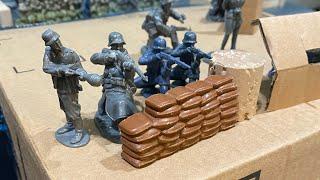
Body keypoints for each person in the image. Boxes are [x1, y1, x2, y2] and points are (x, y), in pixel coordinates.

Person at [42, 29, 89, 147]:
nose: (56, 44)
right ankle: (70, 124)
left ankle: (78, 130)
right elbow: (46, 67)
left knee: (73, 109)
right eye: (53, 43)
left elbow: (80, 68)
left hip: (70, 86)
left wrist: (81, 74)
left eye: (57, 41)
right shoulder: (49, 53)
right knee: (64, 106)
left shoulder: (70, 54)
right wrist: (61, 70)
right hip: (60, 85)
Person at [90, 32, 139, 143]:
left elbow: (130, 77)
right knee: (101, 108)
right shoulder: (108, 54)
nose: (118, 47)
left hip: (121, 88)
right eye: (115, 45)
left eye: (120, 45)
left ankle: (123, 123)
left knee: (122, 105)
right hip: (108, 87)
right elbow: (94, 58)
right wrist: (107, 57)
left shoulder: (126, 57)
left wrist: (128, 69)